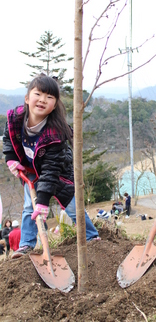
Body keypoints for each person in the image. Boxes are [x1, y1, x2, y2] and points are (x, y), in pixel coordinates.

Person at [3, 74, 100, 259]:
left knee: (72, 207)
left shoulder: (56, 132)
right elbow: (8, 138)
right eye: (38, 94)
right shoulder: (15, 119)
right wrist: (10, 159)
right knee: (29, 208)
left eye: (49, 97)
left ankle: (92, 236)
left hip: (58, 173)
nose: (42, 100)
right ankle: (26, 245)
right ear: (27, 98)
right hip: (31, 170)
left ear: (54, 105)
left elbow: (51, 169)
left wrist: (44, 201)